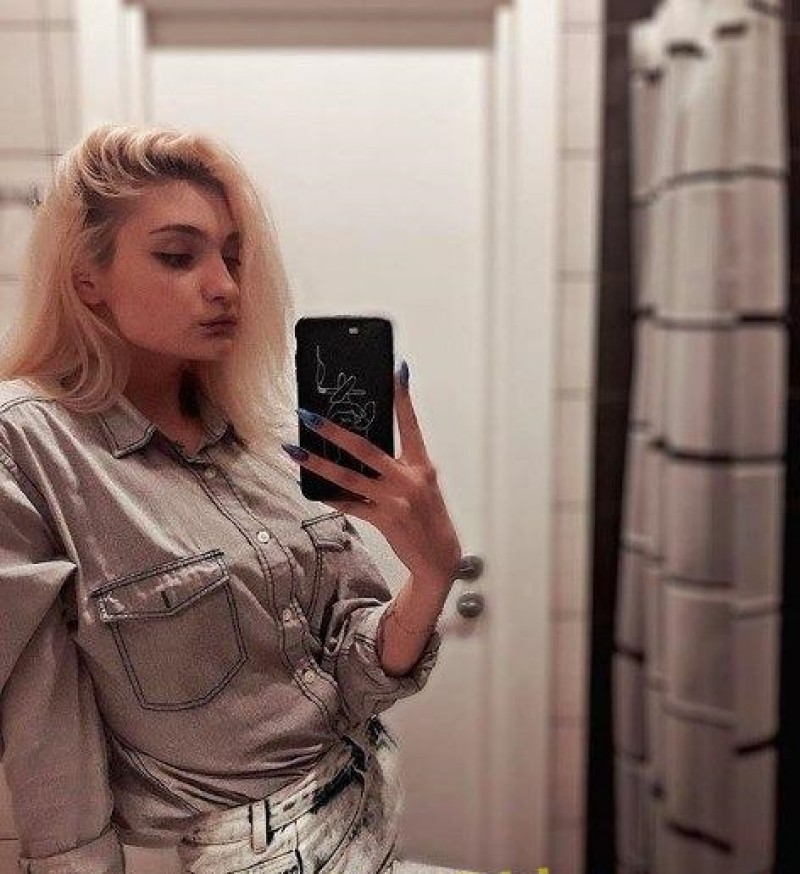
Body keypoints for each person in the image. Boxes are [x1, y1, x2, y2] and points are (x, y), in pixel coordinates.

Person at [0, 123, 463, 874]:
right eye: (178, 256)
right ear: (88, 278)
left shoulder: (263, 438)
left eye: (234, 256)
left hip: (367, 809)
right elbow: (43, 719)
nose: (225, 286)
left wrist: (432, 574)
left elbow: (356, 676)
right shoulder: (28, 446)